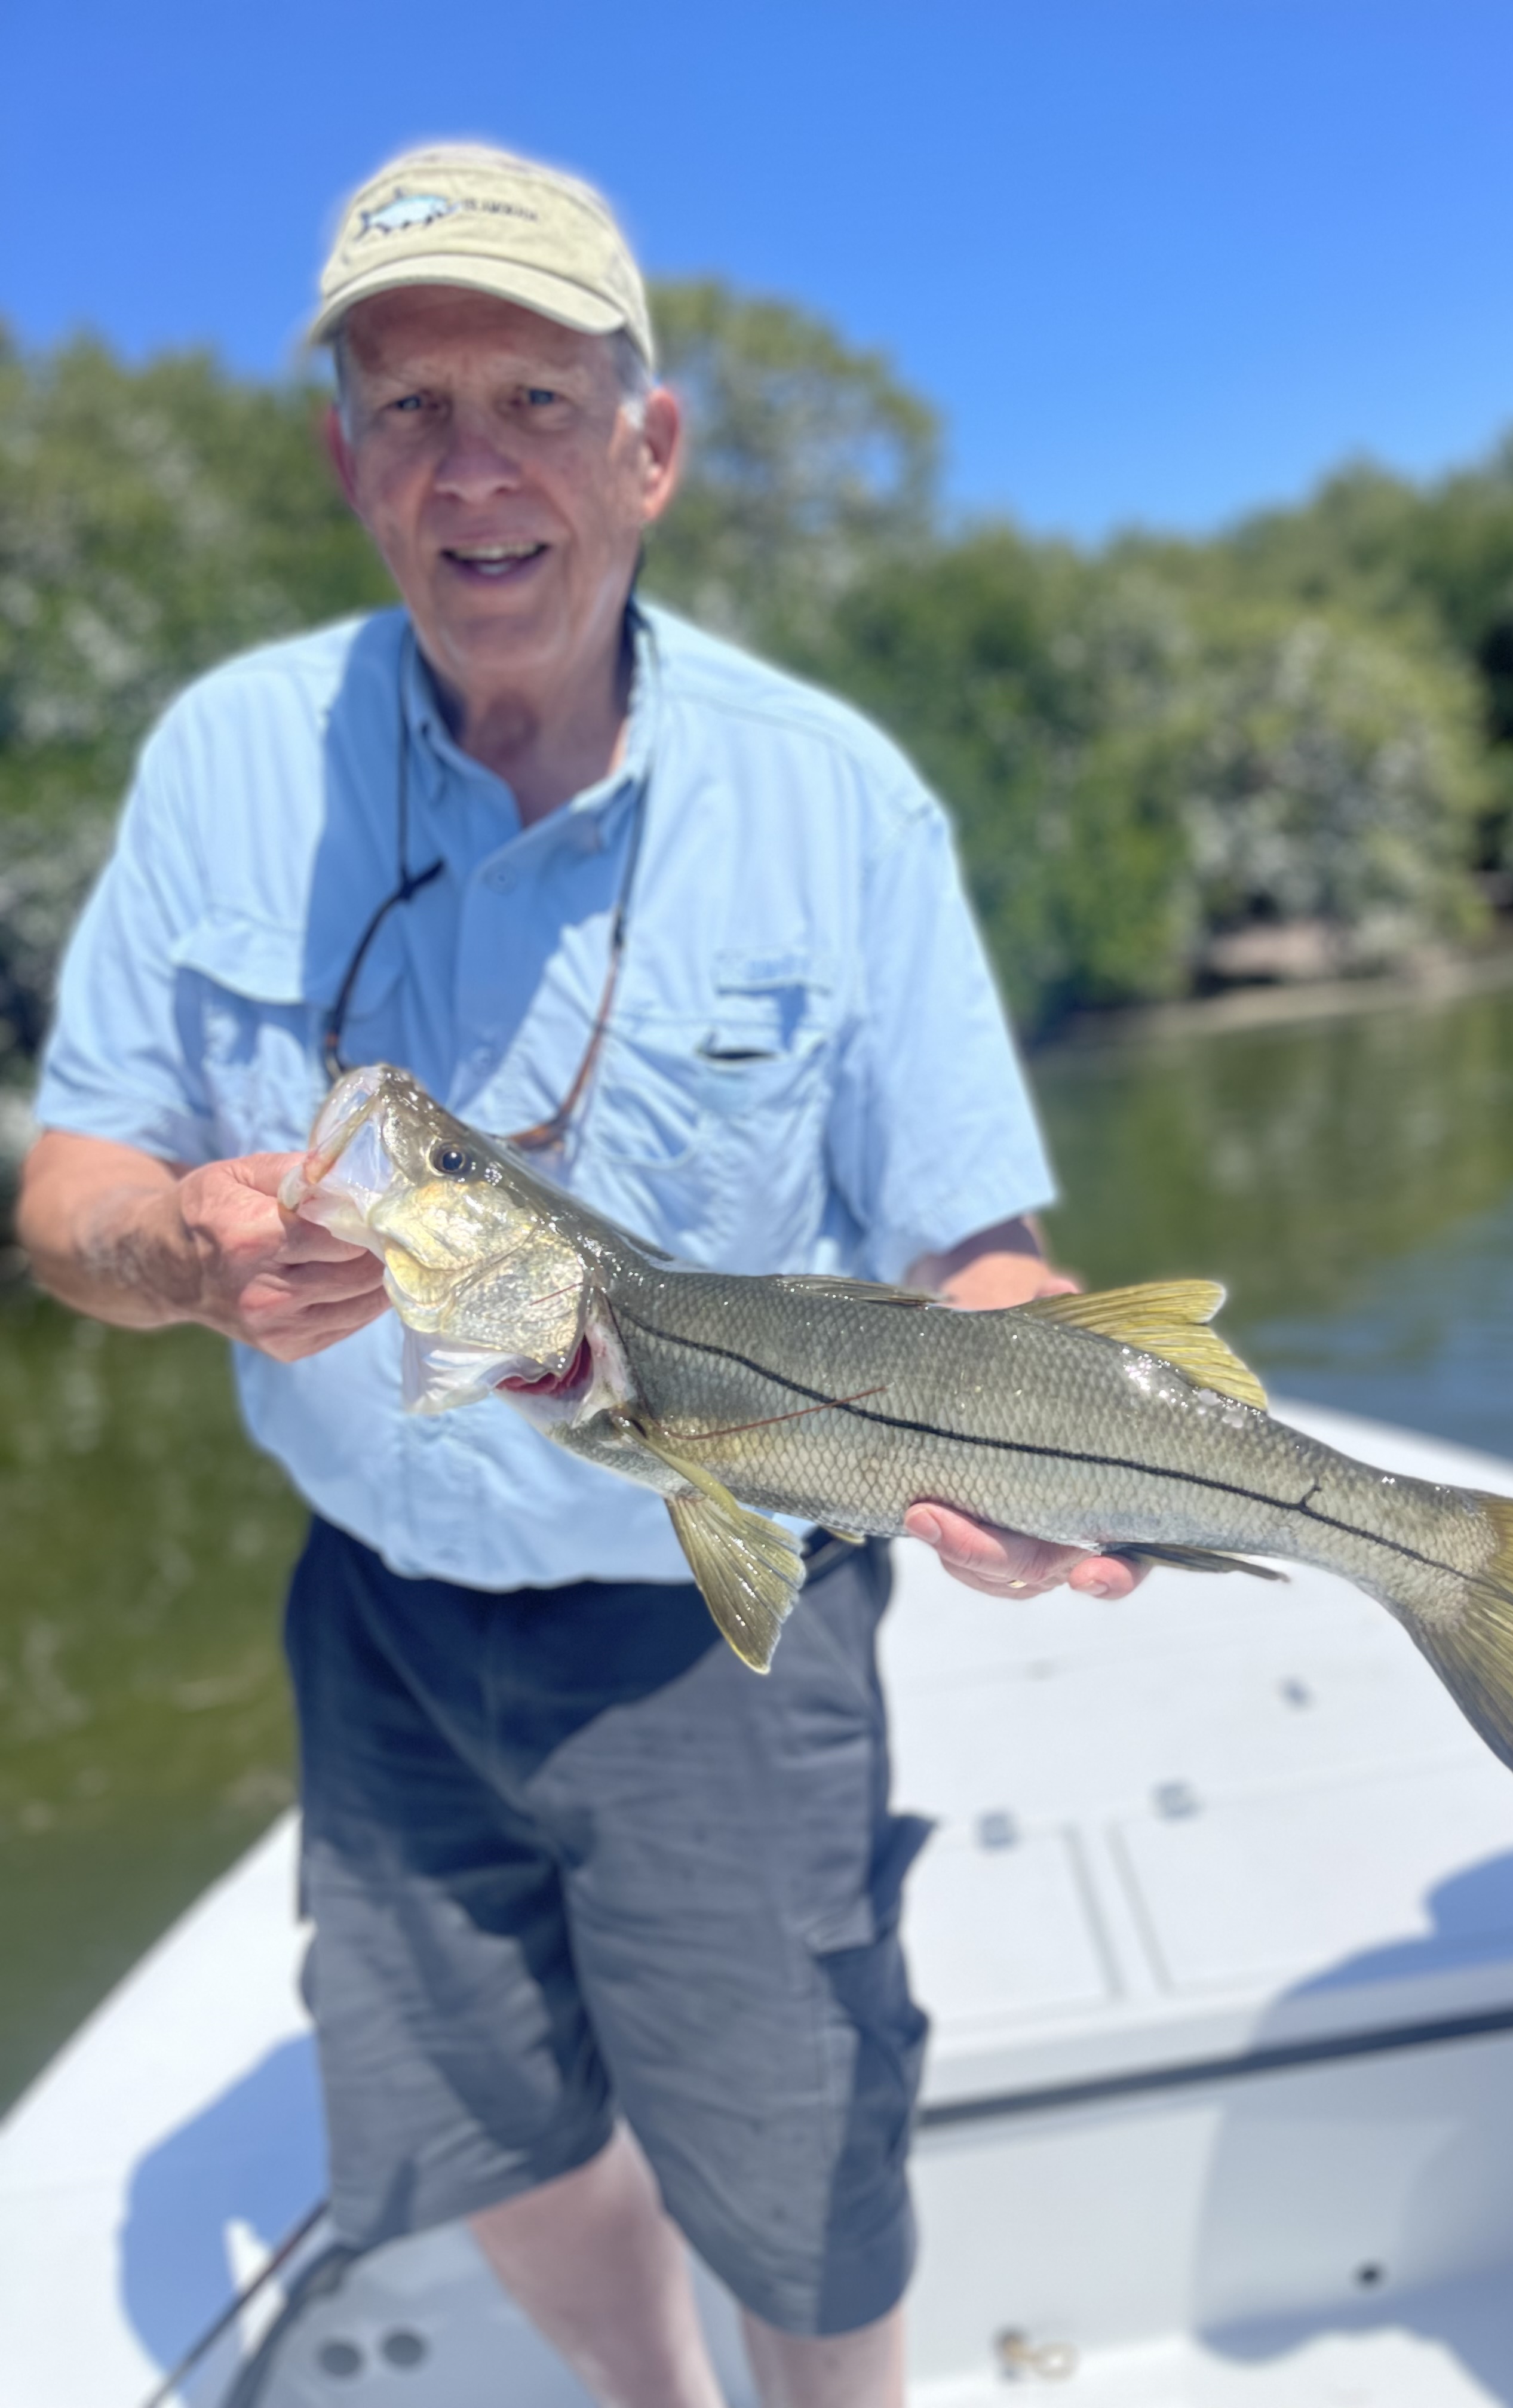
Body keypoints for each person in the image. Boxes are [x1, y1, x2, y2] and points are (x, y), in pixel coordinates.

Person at [17, 143, 1144, 2408]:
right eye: (409, 406)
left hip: (730, 1616)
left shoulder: (841, 806)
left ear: (652, 449)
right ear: (346, 461)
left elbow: (979, 1254)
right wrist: (181, 1256)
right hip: (385, 1620)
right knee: (473, 2113)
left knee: (802, 2155)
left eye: (534, 399)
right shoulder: (227, 760)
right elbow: (72, 1187)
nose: (472, 468)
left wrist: (1069, 1448)